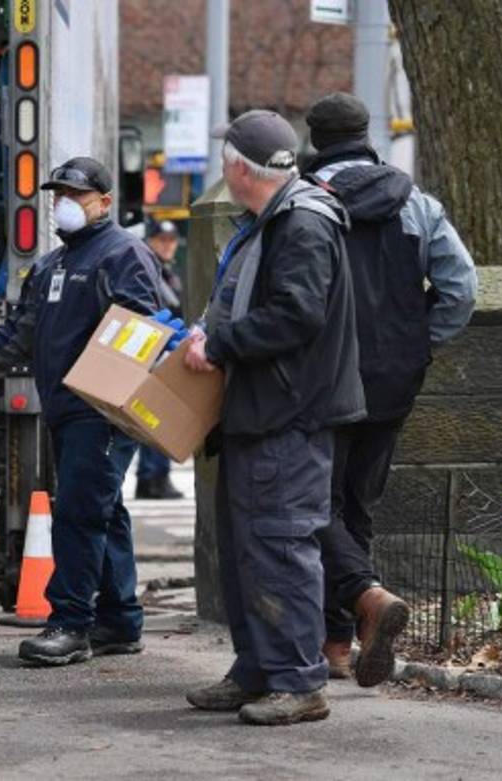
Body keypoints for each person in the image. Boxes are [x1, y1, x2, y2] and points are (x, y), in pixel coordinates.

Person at [0, 157, 162, 666]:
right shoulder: (54, 265)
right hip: (66, 408)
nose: (63, 204)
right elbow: (21, 335)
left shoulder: (124, 254)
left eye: (75, 196)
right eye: (58, 195)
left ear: (104, 202)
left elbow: (144, 327)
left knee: (79, 511)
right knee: (102, 509)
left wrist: (111, 389)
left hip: (100, 409)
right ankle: (120, 622)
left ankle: (71, 624)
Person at [181, 110, 365, 725]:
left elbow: (296, 314)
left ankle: (297, 681)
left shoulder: (301, 224)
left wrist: (223, 344)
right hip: (263, 413)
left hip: (287, 414)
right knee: (248, 551)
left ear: (239, 167)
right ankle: (257, 669)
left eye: (225, 159)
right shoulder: (276, 220)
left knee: (280, 547)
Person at [303, 92, 477, 686]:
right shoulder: (418, 205)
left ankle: (357, 614)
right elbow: (460, 290)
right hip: (392, 382)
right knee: (357, 508)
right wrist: (417, 345)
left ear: (315, 139)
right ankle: (341, 641)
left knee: (314, 505)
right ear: (366, 132)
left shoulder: (304, 204)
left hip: (323, 380)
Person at [135, 219, 185, 500]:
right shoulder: (148, 268)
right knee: (155, 419)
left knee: (159, 419)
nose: (167, 245)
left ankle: (156, 476)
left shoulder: (168, 272)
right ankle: (152, 477)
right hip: (153, 351)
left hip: (165, 350)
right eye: (162, 239)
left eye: (171, 239)